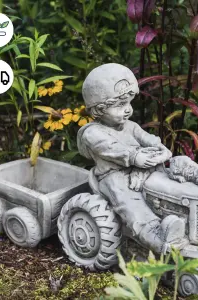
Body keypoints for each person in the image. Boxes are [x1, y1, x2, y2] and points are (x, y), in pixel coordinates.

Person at [77, 63, 185, 254]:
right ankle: (156, 237)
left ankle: (180, 216)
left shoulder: (131, 126)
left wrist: (160, 148)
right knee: (130, 201)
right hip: (112, 177)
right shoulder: (92, 133)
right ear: (98, 109)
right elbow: (111, 148)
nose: (127, 110)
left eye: (128, 103)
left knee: (172, 173)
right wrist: (134, 156)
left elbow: (148, 139)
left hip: (140, 169)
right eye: (119, 105)